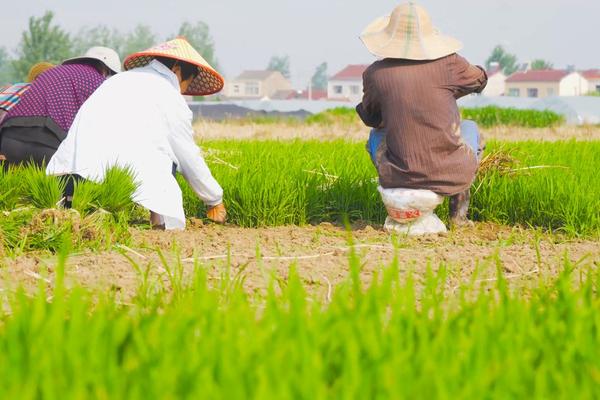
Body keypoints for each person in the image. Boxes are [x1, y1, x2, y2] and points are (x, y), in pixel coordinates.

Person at [47, 38, 227, 230]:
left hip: (68, 181)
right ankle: (159, 223)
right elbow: (187, 155)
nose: (183, 91)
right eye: (187, 83)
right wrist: (214, 199)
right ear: (177, 69)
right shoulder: (169, 96)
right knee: (170, 157)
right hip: (111, 184)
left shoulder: (116, 81)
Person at [356, 2, 488, 226]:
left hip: (399, 176)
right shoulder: (450, 63)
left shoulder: (375, 74)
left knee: (375, 136)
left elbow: (371, 118)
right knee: (470, 128)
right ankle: (458, 216)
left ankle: (400, 186)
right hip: (453, 173)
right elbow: (480, 80)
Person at [0, 47, 120, 166]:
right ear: (106, 71)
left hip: (8, 139)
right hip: (45, 145)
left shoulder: (54, 71)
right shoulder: (98, 82)